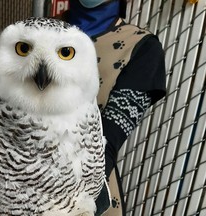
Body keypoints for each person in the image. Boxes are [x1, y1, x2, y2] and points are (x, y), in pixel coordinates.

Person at [55, 0, 166, 215]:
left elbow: (106, 144)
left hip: (85, 188)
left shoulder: (142, 48)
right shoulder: (34, 32)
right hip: (20, 177)